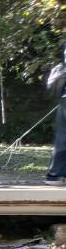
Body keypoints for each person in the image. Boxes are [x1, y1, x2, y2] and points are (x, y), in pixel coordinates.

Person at [48, 46, 66, 181]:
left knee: (62, 137)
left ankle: (55, 174)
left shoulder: (61, 67)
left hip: (63, 101)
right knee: (62, 137)